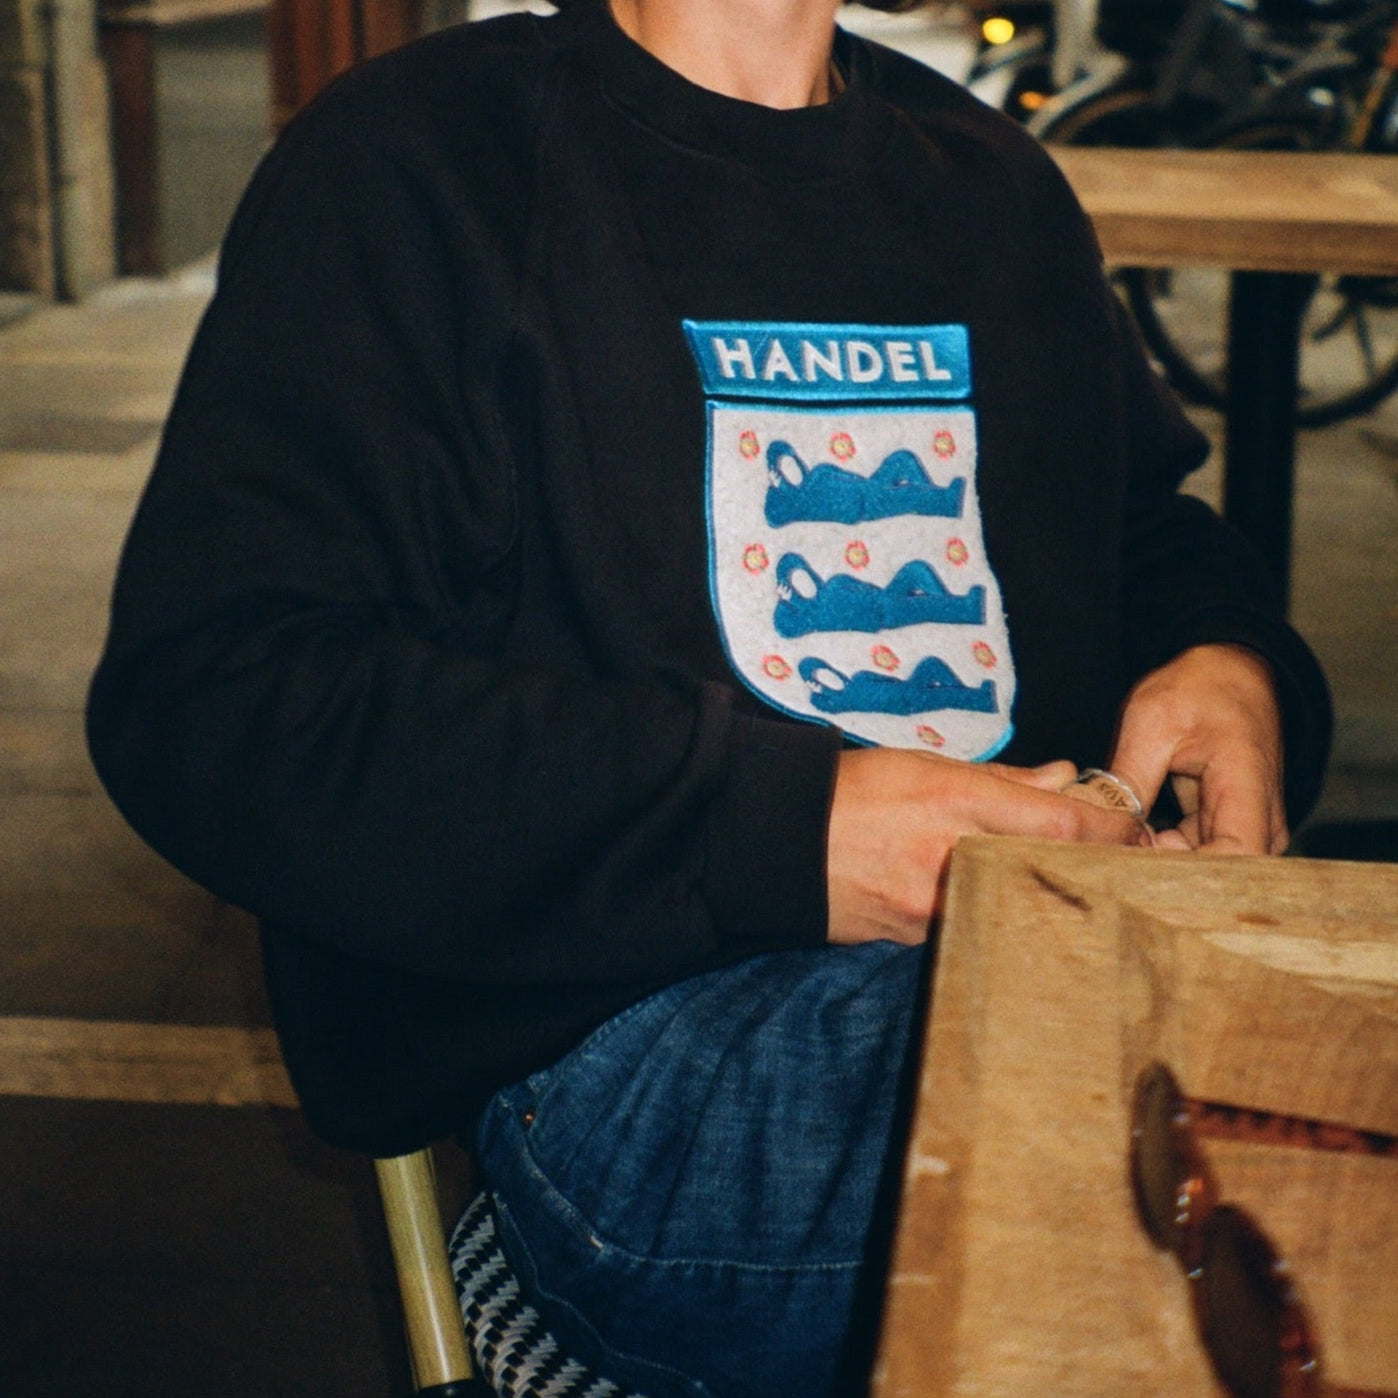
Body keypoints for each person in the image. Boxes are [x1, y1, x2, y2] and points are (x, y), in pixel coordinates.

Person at [86, 0, 1331, 1393]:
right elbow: (215, 697)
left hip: (1037, 954)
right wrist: (785, 829)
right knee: (1213, 1193)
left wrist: (1224, 658)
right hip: (629, 1041)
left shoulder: (988, 178)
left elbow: (1142, 531)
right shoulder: (418, 158)